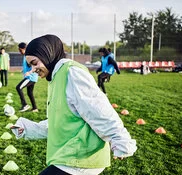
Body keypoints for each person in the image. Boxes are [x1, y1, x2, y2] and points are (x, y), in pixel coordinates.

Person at [10, 34, 137, 175]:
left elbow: (99, 110)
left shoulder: (71, 72)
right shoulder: (55, 77)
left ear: (48, 54)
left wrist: (120, 139)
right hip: (70, 157)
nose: (33, 69)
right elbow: (61, 122)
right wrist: (28, 129)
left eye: (34, 63)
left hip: (80, 158)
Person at [16, 42, 39, 112]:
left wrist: (29, 72)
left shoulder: (28, 56)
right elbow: (28, 66)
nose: (19, 51)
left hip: (30, 77)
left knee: (18, 87)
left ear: (24, 49)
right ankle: (35, 108)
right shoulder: (25, 56)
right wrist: (23, 70)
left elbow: (35, 66)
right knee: (30, 93)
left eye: (20, 50)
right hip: (32, 77)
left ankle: (25, 105)